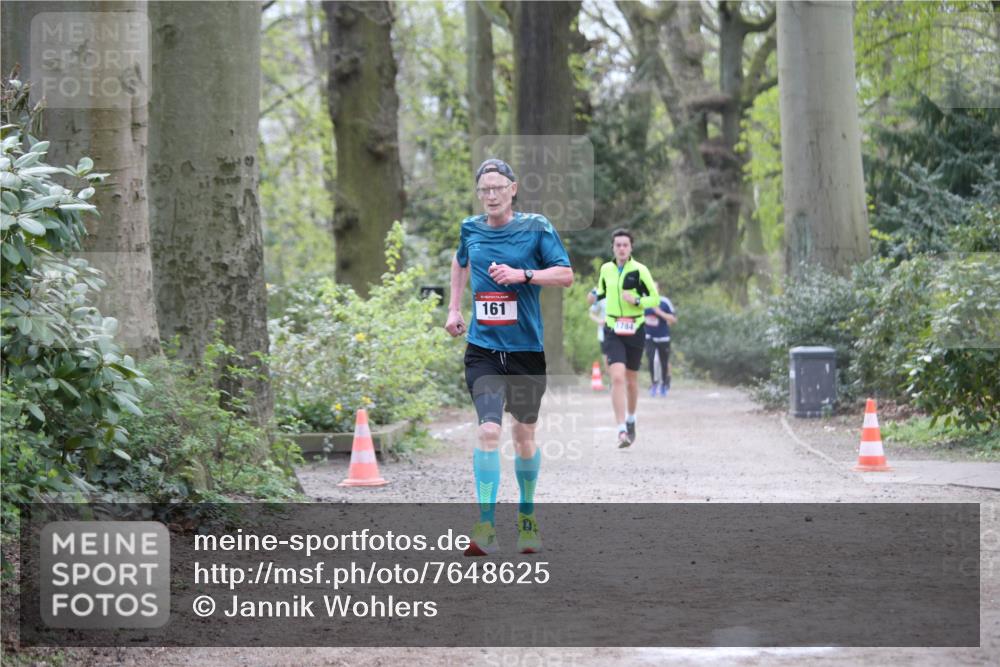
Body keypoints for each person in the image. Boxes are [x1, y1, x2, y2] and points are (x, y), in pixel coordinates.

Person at [444, 158, 573, 556]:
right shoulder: (471, 228)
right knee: (487, 431)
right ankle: (485, 526)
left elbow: (565, 274)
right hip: (483, 349)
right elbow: (460, 260)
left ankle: (527, 518)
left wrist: (523, 276)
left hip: (526, 352)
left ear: (513, 189)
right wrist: (453, 308)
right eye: (485, 189)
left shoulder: (536, 227)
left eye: (498, 187)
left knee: (523, 436)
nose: (491, 195)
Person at [591, 228, 659, 448]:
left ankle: (631, 419)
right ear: (613, 247)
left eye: (625, 245)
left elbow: (654, 299)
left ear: (631, 248)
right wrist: (592, 297)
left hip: (635, 328)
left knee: (631, 380)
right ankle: (621, 429)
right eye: (617, 244)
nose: (621, 248)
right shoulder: (606, 269)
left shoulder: (640, 270)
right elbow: (600, 292)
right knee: (617, 377)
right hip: (612, 328)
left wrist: (637, 300)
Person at [644, 282, 677, 397]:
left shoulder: (665, 302)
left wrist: (659, 312)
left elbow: (673, 319)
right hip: (649, 337)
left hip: (663, 337)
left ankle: (663, 384)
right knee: (651, 360)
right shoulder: (643, 302)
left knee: (664, 362)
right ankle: (654, 384)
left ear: (658, 290)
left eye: (654, 288)